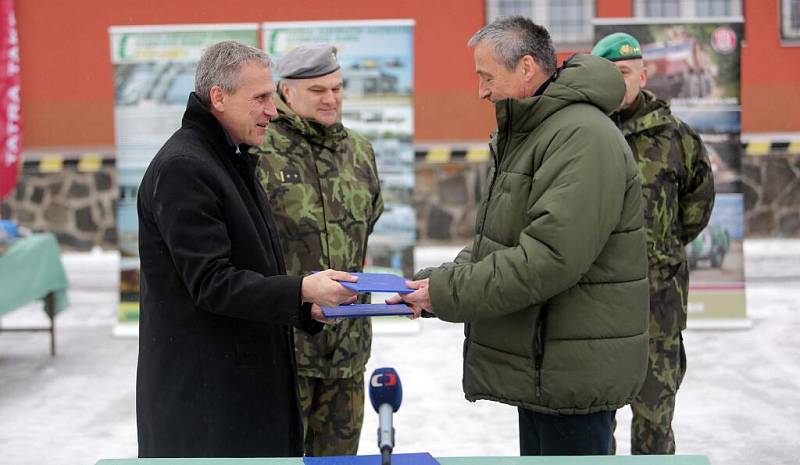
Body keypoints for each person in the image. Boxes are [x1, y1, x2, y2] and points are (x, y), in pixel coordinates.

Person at [389, 16, 650, 456]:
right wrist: (433, 283)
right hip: (547, 365)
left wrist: (447, 292)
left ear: (526, 67)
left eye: (487, 77)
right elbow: (502, 240)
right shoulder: (539, 131)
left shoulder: (581, 136)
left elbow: (547, 258)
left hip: (573, 378)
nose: (481, 91)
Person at [136, 40, 360, 458]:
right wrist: (301, 291)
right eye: (260, 97)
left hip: (238, 394)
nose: (272, 110)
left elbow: (250, 267)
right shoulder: (186, 167)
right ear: (218, 97)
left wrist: (302, 307)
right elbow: (211, 282)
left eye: (272, 96)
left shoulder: (230, 157)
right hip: (208, 409)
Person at [251, 44, 383, 456]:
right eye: (317, 90)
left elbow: (367, 224)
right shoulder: (258, 151)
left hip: (349, 349)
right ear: (286, 92)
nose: (331, 99)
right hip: (285, 350)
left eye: (337, 88)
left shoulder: (359, 152)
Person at [592, 32, 715, 455]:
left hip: (658, 307)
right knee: (593, 421)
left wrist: (661, 252)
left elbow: (697, 207)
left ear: (643, 75)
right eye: (607, 74)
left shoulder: (677, 139)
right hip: (593, 310)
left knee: (654, 421)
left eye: (624, 73)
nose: (616, 82)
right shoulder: (581, 136)